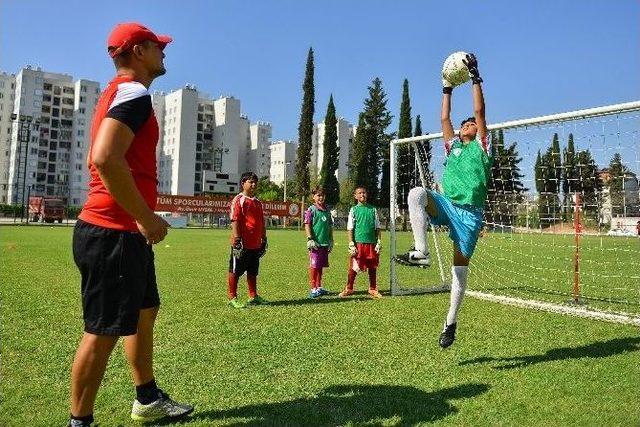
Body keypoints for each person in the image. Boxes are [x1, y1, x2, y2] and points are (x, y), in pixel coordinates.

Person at [69, 23, 193, 427]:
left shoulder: (118, 92)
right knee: (103, 331)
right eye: (158, 46)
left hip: (123, 232)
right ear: (138, 51)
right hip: (113, 231)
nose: (164, 52)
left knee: (144, 309)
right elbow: (105, 158)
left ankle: (147, 397)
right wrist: (146, 217)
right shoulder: (134, 94)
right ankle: (80, 421)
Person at [396, 53, 492, 349]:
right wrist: (446, 88)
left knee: (459, 273)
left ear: (477, 131)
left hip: (470, 215)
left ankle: (450, 322)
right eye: (464, 123)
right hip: (447, 205)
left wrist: (475, 77)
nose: (466, 124)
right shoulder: (451, 148)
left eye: (470, 124)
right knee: (416, 193)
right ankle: (421, 251)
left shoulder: (482, 147)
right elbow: (443, 118)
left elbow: (479, 111)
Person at [228, 172, 269, 308]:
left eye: (255, 182)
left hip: (255, 243)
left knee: (252, 271)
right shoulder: (239, 200)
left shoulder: (258, 202)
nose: (254, 184)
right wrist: (237, 239)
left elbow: (261, 222)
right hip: (242, 243)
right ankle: (232, 297)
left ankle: (253, 296)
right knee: (235, 270)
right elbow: (235, 220)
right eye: (250, 181)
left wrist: (264, 238)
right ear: (243, 183)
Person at [339, 186, 383, 299]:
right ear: (355, 196)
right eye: (359, 193)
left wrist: (378, 241)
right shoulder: (354, 210)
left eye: (364, 192)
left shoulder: (373, 210)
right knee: (354, 266)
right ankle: (349, 288)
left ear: (366, 194)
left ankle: (372, 288)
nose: (362, 195)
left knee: (372, 266)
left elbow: (378, 227)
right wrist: (351, 243)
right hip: (358, 243)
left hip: (371, 243)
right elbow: (350, 228)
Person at [304, 187, 334, 298]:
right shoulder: (311, 210)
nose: (320, 197)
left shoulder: (327, 211)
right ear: (313, 197)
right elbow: (307, 224)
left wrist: (331, 240)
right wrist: (309, 238)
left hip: (325, 243)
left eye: (322, 195)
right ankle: (313, 289)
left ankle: (319, 287)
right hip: (315, 244)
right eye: (318, 195)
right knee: (314, 266)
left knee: (320, 265)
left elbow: (330, 226)